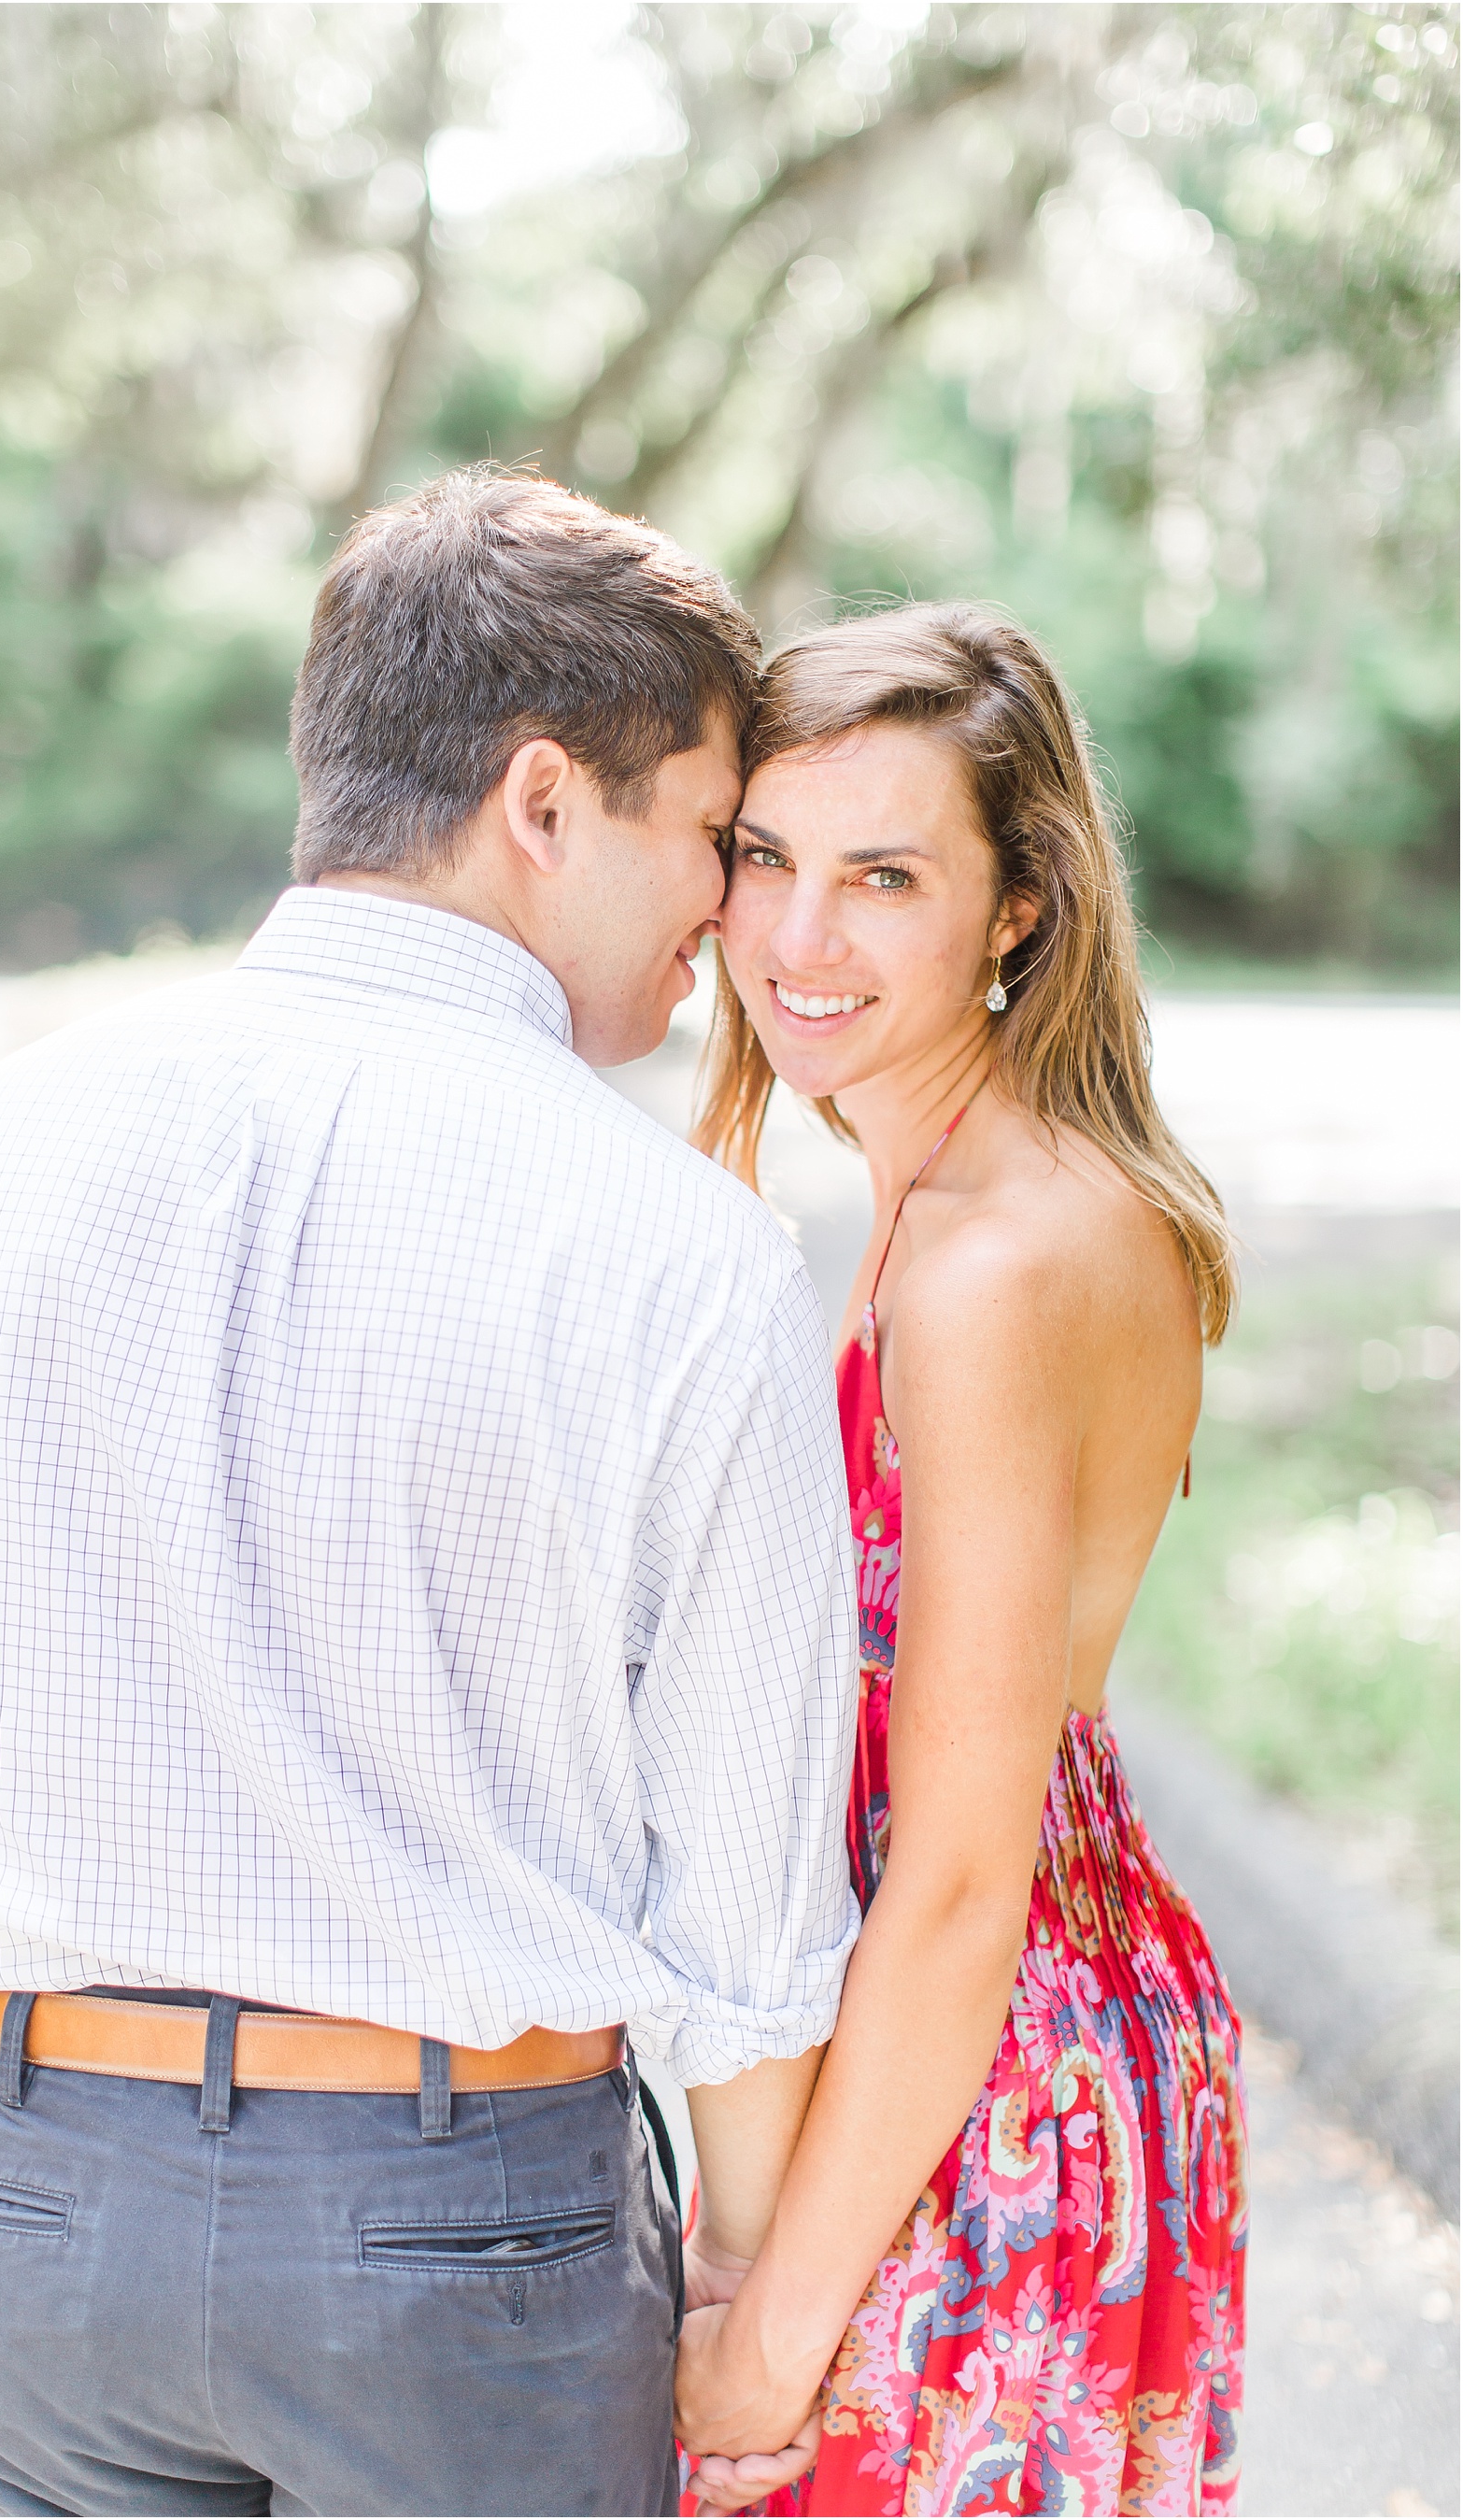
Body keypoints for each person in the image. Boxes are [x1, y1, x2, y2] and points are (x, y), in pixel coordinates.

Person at [0, 469, 861, 2520]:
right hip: (458, 2240)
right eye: (711, 841)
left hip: (26, 2211)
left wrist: (23, 2103)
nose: (730, 921)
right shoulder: (679, 1250)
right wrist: (733, 2286)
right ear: (544, 802)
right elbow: (739, 1909)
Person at [674, 605, 1247, 2517]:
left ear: (1019, 912)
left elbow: (959, 1874)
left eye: (884, 878)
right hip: (1004, 2056)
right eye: (766, 858)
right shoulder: (974, 1190)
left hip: (976, 2097)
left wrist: (768, 2342)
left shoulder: (994, 1266)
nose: (795, 938)